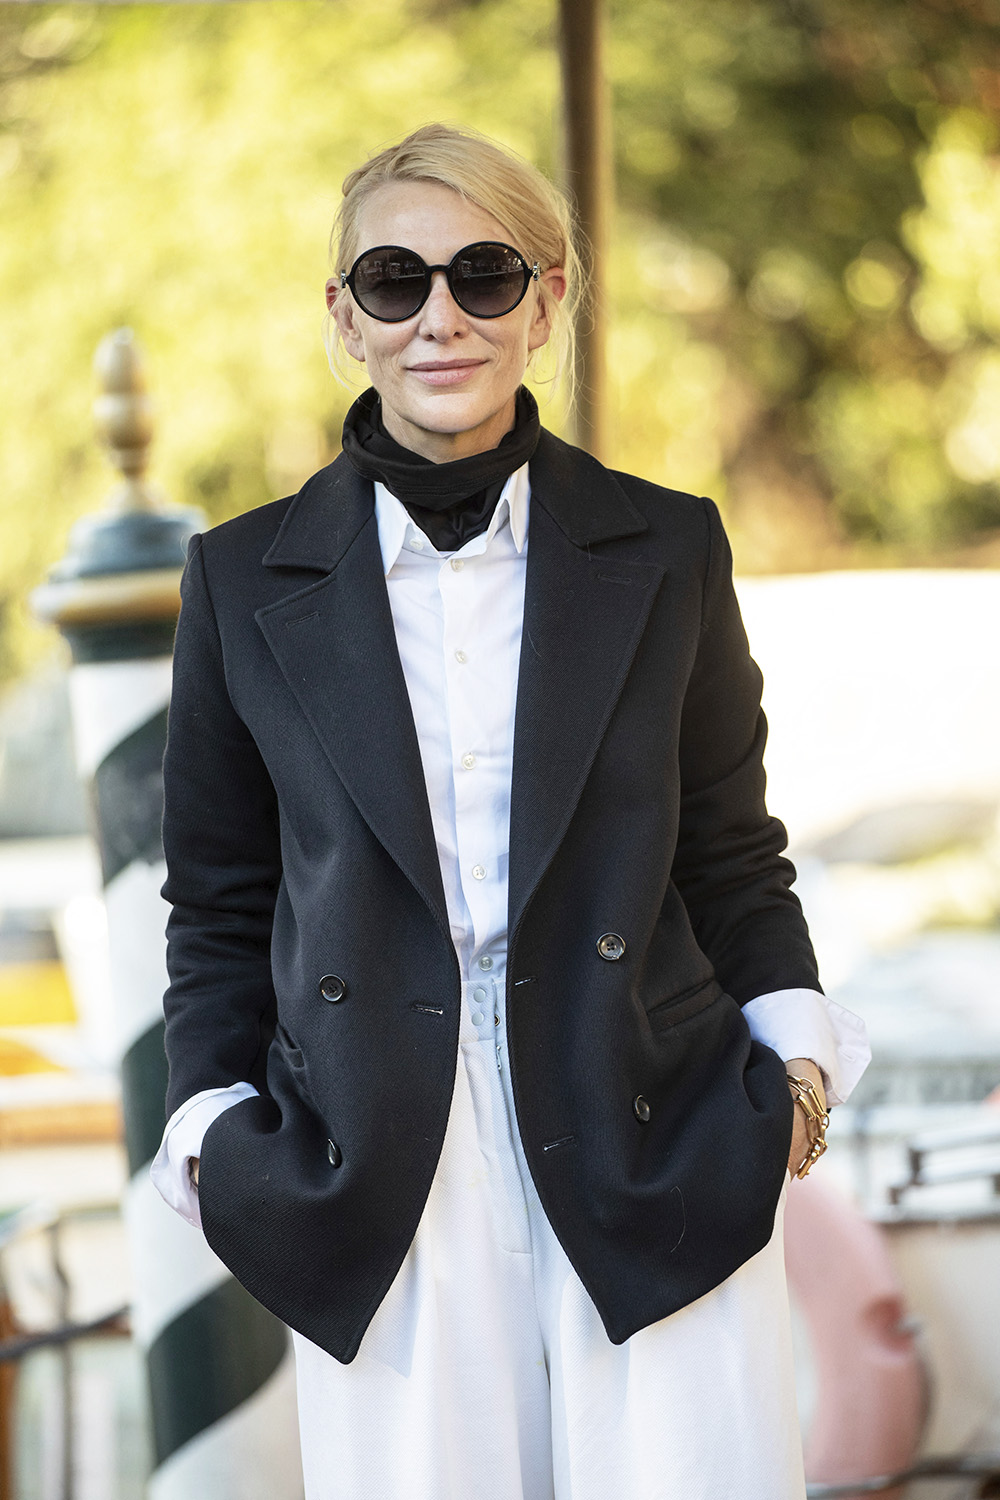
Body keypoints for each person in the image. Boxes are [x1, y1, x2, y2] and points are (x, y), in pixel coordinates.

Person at [151, 123, 870, 1500]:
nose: (440, 318)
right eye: (395, 280)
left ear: (547, 301)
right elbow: (222, 902)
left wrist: (796, 1078)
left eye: (484, 276)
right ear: (342, 315)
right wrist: (212, 1132)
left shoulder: (668, 546)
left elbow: (733, 849)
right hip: (373, 1156)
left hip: (657, 1117)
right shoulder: (240, 581)